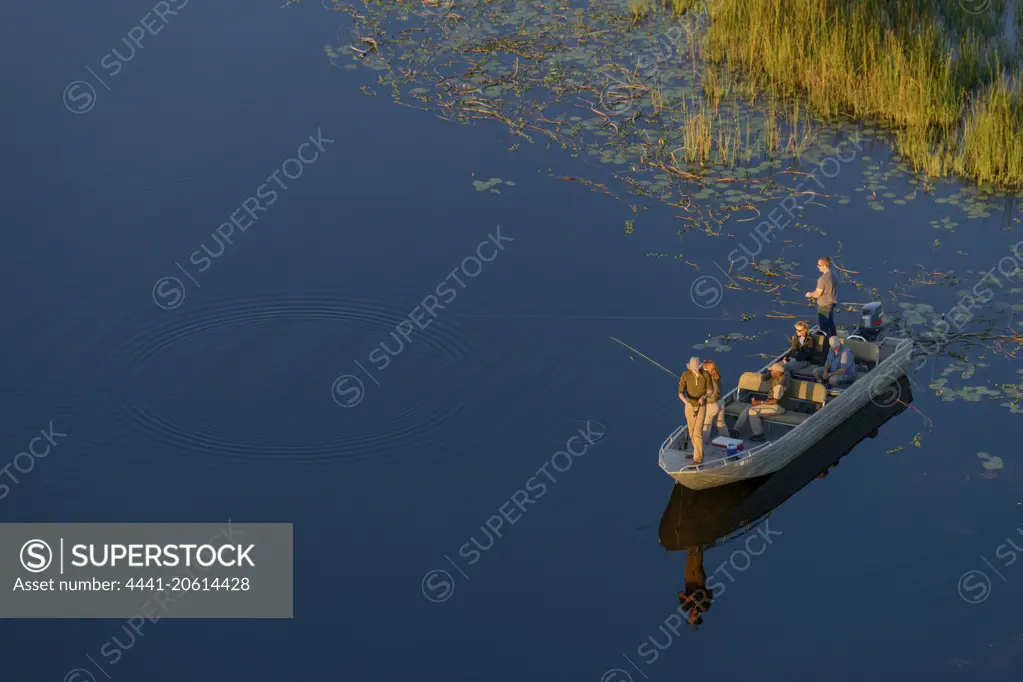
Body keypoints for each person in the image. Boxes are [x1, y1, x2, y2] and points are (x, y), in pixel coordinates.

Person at [729, 363, 787, 442]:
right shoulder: (778, 378)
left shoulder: (779, 385)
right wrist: (767, 376)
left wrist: (759, 402)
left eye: (772, 371)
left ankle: (759, 434)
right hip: (772, 403)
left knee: (753, 411)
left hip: (778, 407)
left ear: (777, 372)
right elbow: (765, 378)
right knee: (748, 408)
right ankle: (735, 430)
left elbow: (775, 401)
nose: (770, 372)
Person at [678, 356, 711, 464]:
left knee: (697, 432)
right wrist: (686, 403)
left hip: (701, 406)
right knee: (691, 431)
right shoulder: (685, 375)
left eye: (696, 367)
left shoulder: (706, 375)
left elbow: (710, 390)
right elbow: (680, 393)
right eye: (693, 368)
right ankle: (697, 451)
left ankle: (698, 459)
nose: (695, 369)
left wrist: (704, 397)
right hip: (689, 406)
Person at [678, 545, 712, 630]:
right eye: (692, 620)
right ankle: (698, 545)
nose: (689, 617)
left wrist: (685, 597)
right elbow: (707, 593)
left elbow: (680, 595)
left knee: (689, 562)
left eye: (689, 619)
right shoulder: (704, 608)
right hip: (699, 582)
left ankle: (691, 545)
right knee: (697, 566)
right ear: (696, 619)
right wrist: (693, 597)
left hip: (689, 581)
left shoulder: (685, 607)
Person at [805, 256, 839, 340]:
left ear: (825, 265)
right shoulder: (833, 274)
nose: (817, 266)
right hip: (832, 303)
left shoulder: (822, 279)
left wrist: (809, 294)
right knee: (831, 324)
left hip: (824, 306)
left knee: (824, 328)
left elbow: (817, 294)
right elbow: (837, 283)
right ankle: (834, 340)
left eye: (819, 265)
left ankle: (826, 345)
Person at [700, 359, 728, 446]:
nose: (702, 370)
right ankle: (727, 442)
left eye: (704, 369)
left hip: (712, 405)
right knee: (720, 424)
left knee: (706, 426)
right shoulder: (717, 376)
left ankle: (702, 445)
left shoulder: (708, 380)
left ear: (708, 370)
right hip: (720, 403)